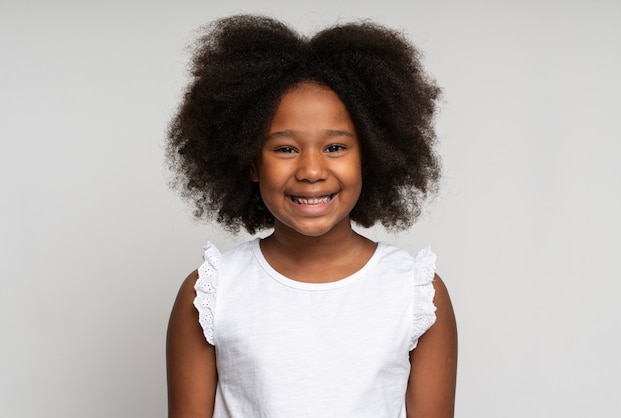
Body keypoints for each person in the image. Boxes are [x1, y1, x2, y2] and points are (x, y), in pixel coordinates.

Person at [165, 14, 457, 418]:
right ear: (250, 162)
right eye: (285, 149)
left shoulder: (415, 293)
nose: (312, 170)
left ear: (371, 155)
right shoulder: (212, 294)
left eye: (335, 147)